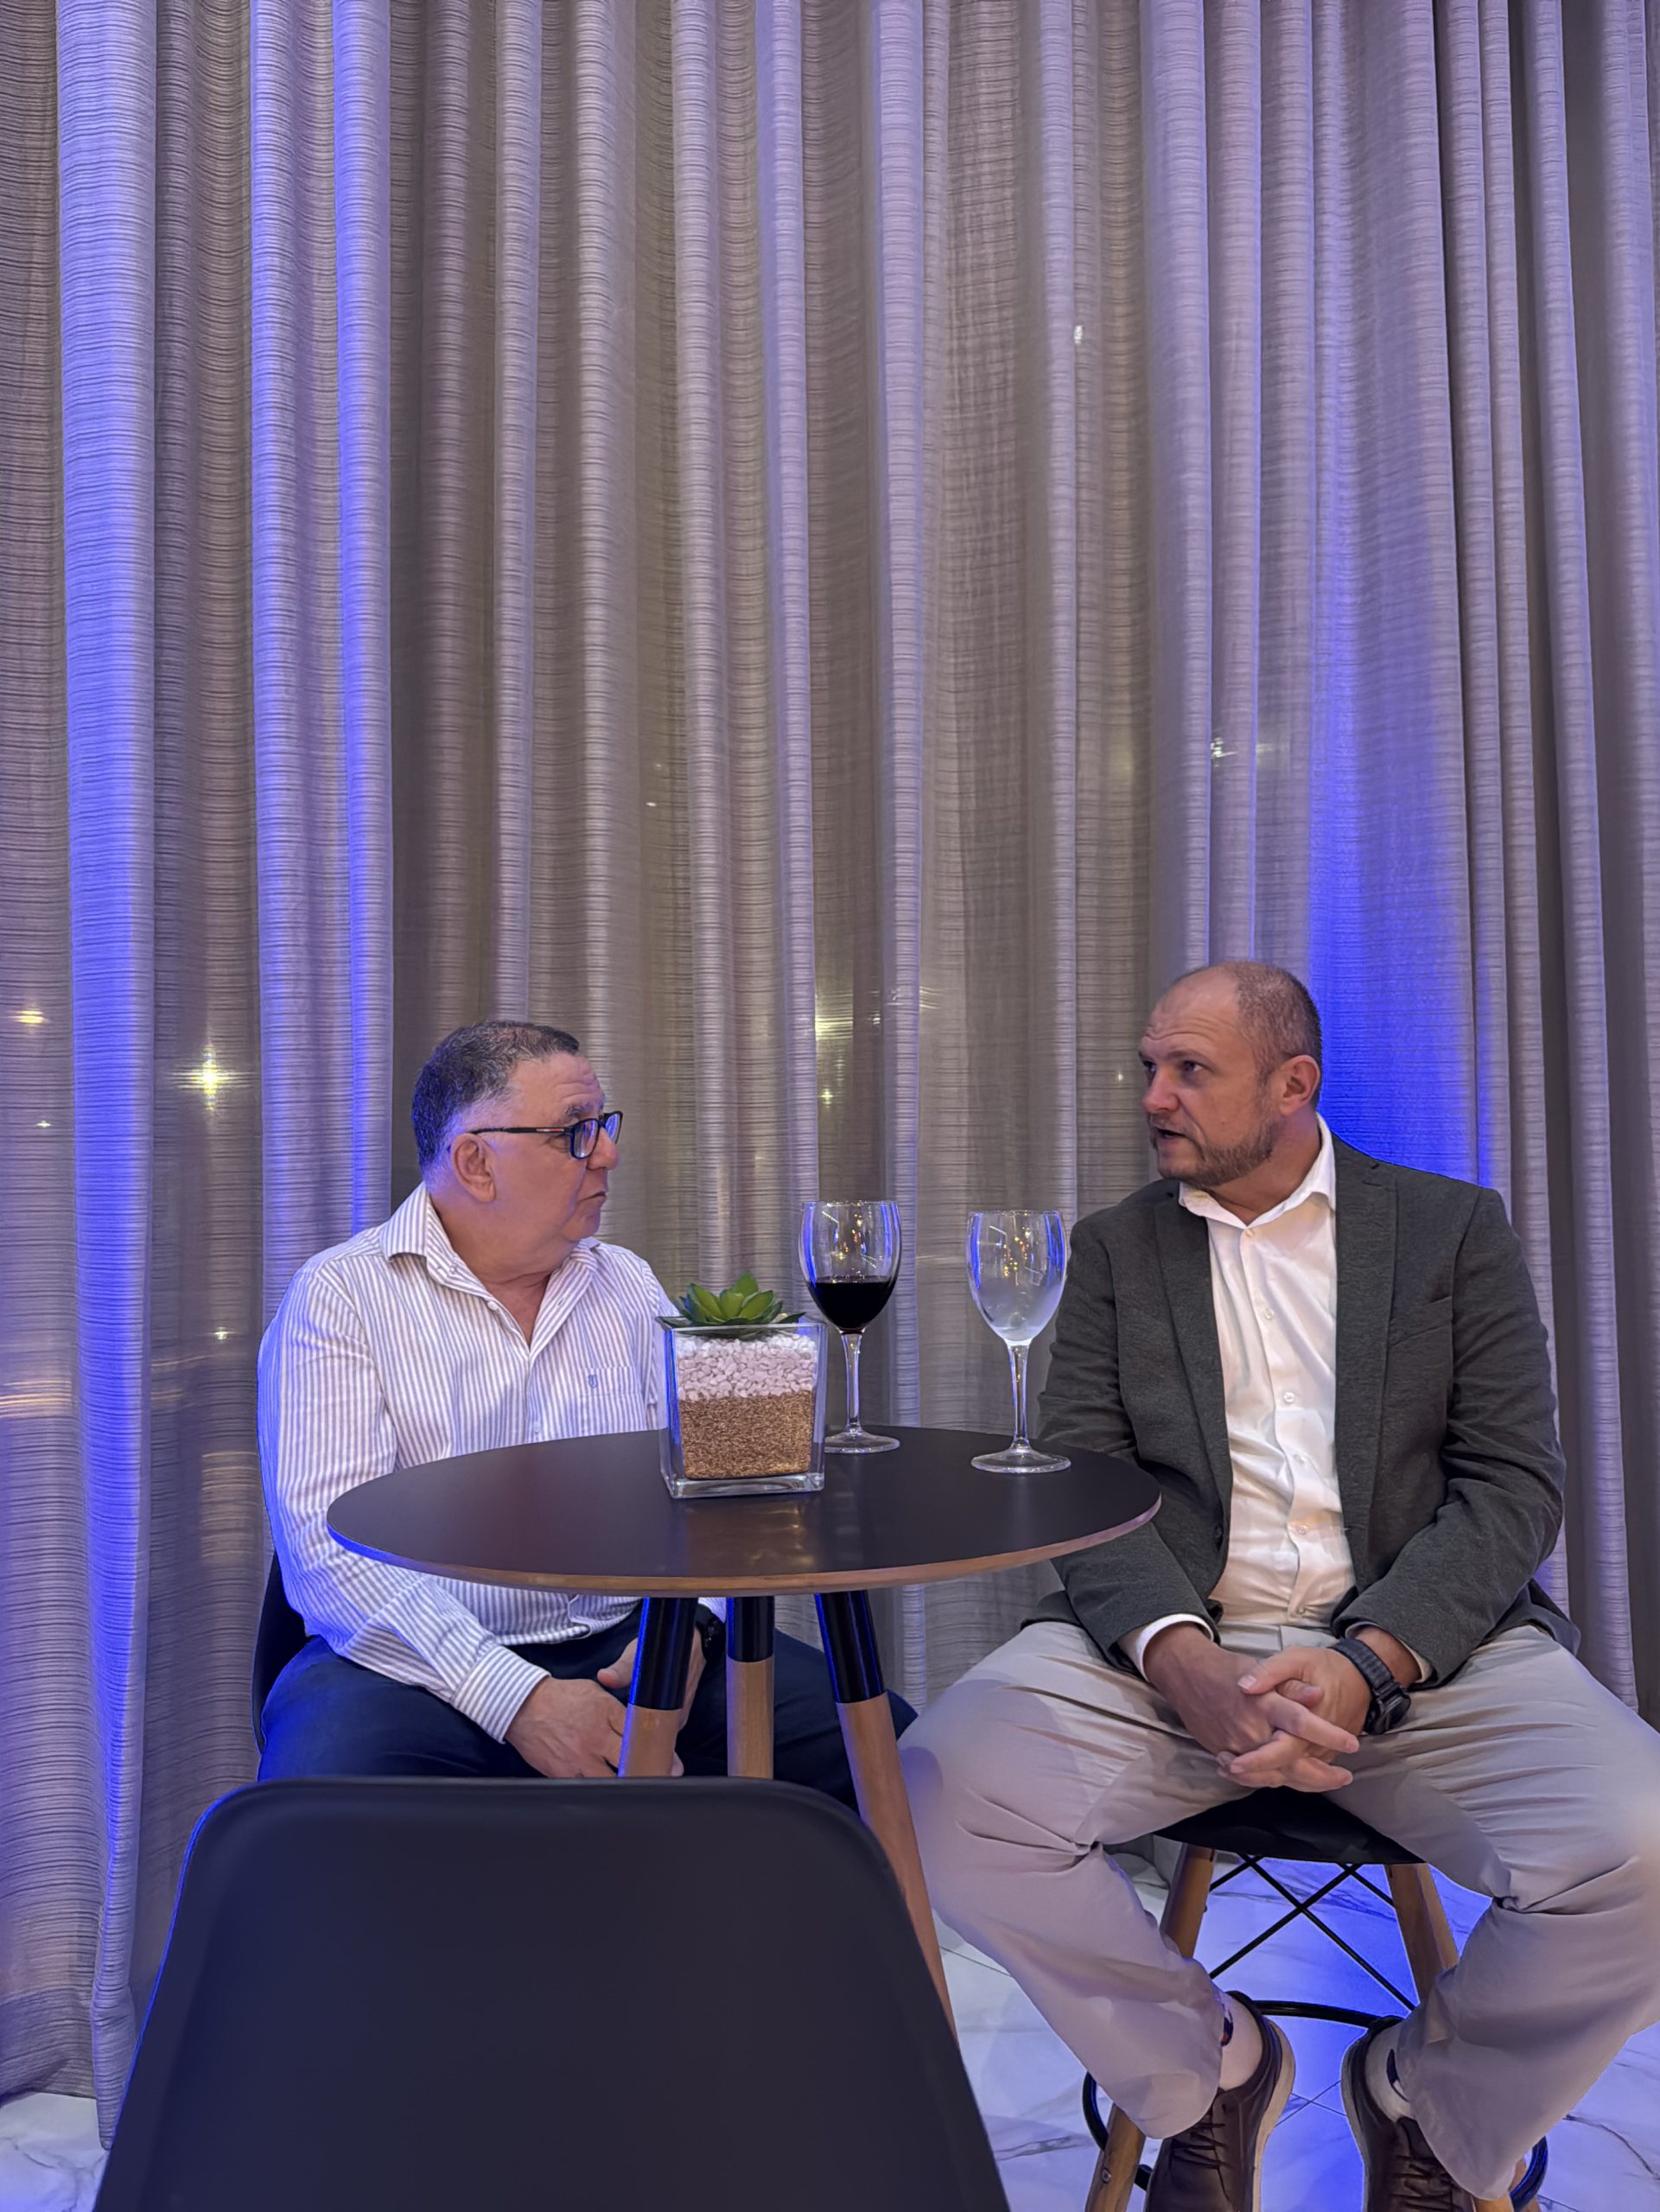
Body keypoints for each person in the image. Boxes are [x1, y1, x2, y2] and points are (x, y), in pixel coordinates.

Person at [900, 962, 1660, 2212]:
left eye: (1188, 1071)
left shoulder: (1449, 1229)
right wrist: (1181, 1659)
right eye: (1149, 1068)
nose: (1154, 1097)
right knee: (935, 1792)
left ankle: (1429, 2106)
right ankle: (1209, 2076)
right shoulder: (1115, 1251)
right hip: (1167, 1656)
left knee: (1645, 1845)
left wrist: (1372, 1662)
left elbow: (1513, 1486)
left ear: (1292, 1085)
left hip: (1426, 1657)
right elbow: (1084, 1485)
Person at [258, 1019, 909, 1795]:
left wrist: (695, 1631)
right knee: (320, 1811)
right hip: (415, 1661)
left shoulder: (625, 1283)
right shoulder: (341, 1297)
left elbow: (709, 1493)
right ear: (475, 1162)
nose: (606, 1154)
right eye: (574, 1132)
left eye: (603, 1126)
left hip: (635, 1642)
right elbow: (328, 1551)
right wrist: (519, 1700)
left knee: (894, 1758)